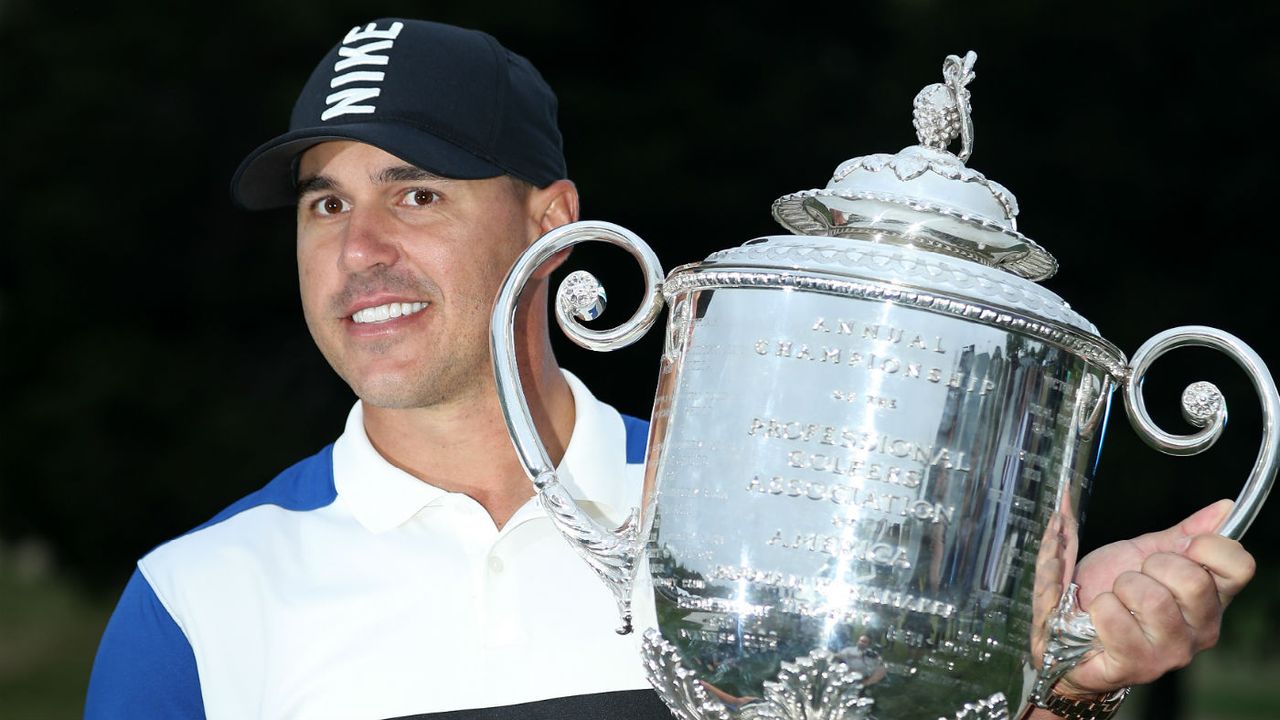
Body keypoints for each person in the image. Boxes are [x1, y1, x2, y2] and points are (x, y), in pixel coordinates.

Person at [84, 18, 1257, 720]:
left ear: (554, 222)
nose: (357, 251)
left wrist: (1062, 680)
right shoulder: (194, 604)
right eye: (323, 204)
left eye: (418, 194)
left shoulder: (776, 515)